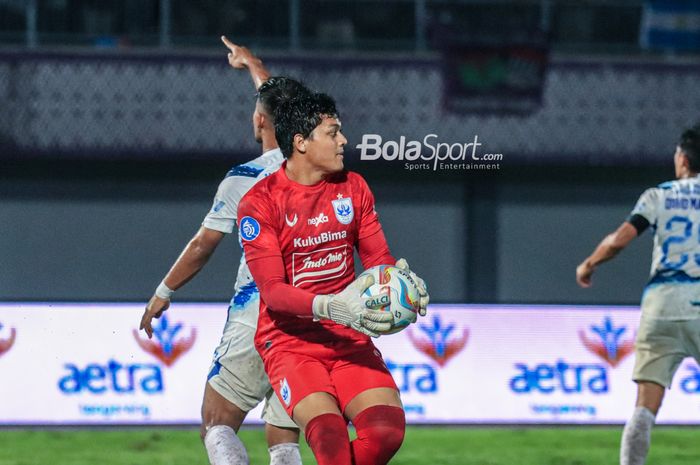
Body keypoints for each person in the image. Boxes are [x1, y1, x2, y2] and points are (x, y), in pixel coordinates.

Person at [139, 37, 310, 465]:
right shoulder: (323, 168)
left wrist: (164, 291)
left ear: (258, 121)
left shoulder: (245, 178)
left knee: (217, 422)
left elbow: (202, 246)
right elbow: (279, 101)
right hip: (311, 310)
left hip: (262, 308)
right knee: (284, 435)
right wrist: (254, 64)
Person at [237, 92, 429, 465]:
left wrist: (399, 280)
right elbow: (273, 292)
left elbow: (377, 259)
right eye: (334, 132)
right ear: (301, 142)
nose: (344, 141)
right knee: (331, 442)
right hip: (289, 342)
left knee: (386, 432)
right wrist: (330, 306)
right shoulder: (259, 203)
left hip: (347, 336)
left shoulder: (353, 187)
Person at [576, 124, 700, 465]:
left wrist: (589, 264)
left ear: (683, 159)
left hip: (662, 304)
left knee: (645, 405)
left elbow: (619, 240)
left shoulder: (658, 195)